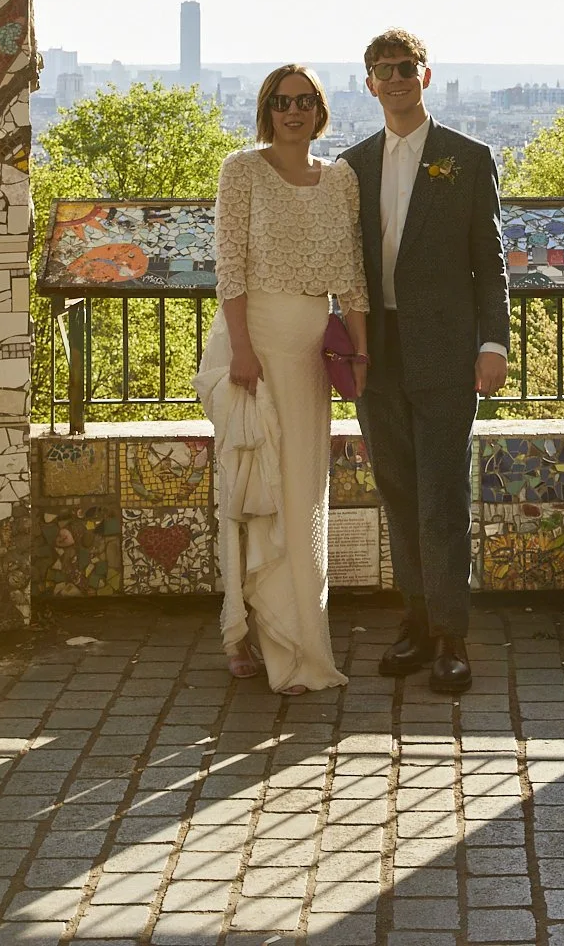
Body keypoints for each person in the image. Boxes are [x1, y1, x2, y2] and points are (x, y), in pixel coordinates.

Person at [342, 29, 510, 693]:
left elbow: (489, 263)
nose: (397, 78)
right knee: (398, 491)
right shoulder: (350, 166)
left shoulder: (467, 158)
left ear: (426, 76)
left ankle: (451, 636)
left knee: (442, 494)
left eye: (406, 67)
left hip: (445, 350)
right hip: (374, 351)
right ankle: (414, 621)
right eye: (385, 70)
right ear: (370, 83)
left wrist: (492, 343)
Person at [196, 64, 368, 694]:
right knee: (251, 486)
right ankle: (244, 632)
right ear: (266, 109)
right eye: (281, 101)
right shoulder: (240, 170)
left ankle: (297, 636)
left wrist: (362, 353)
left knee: (299, 492)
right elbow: (230, 268)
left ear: (320, 109)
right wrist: (241, 350)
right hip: (255, 346)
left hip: (307, 356)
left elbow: (351, 274)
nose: (292, 110)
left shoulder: (341, 178)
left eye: (304, 100)